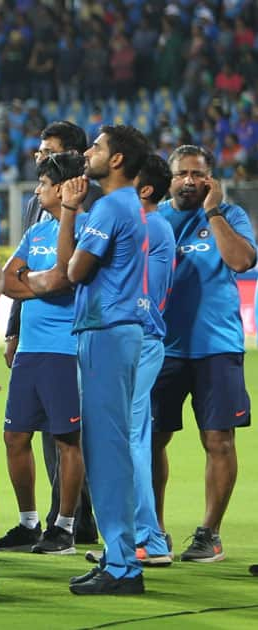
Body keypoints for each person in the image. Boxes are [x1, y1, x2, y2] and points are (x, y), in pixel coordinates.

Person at [58, 124, 150, 596]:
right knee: (108, 444)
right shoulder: (129, 206)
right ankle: (120, 557)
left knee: (106, 449)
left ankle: (123, 565)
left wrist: (70, 211)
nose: (88, 153)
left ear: (116, 160)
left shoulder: (109, 206)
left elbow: (74, 270)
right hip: (118, 330)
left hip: (107, 331)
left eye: (96, 146)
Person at [151, 145, 255, 563]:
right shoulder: (155, 217)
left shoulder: (230, 216)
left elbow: (243, 260)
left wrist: (213, 213)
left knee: (219, 441)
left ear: (211, 179)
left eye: (198, 174)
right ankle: (153, 531)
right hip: (164, 347)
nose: (189, 181)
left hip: (217, 346)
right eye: (181, 174)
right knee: (152, 440)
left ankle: (209, 533)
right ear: (169, 178)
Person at [1, 120, 100, 548]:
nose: (37, 187)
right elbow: (8, 280)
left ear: (63, 188)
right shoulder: (37, 228)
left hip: (66, 348)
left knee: (65, 440)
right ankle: (28, 523)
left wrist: (37, 281)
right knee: (15, 436)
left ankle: (65, 526)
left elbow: (68, 278)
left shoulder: (87, 225)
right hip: (31, 350)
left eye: (44, 181)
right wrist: (42, 284)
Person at [130, 154, 176, 566]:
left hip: (137, 340)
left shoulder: (148, 226)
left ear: (144, 189)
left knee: (128, 440)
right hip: (140, 340)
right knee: (133, 439)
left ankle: (149, 538)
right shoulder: (154, 226)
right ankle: (141, 537)